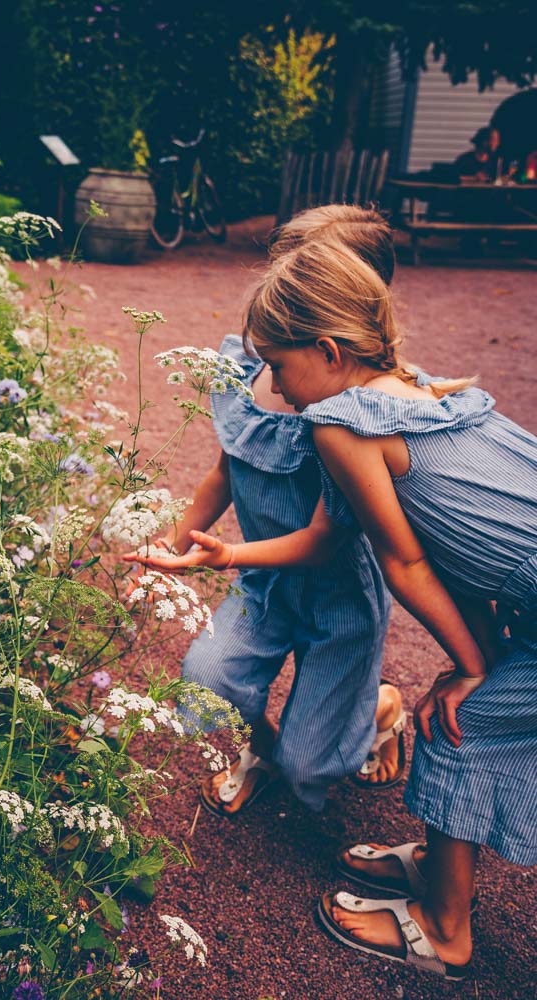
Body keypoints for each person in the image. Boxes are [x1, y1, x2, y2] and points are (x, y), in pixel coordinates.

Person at [187, 237, 535, 981]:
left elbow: (406, 564)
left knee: (459, 724)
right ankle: (443, 867)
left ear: (329, 349)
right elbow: (464, 552)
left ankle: (447, 932)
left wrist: (471, 667)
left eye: (280, 366)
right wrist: (476, 655)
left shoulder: (340, 423)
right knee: (469, 711)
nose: (275, 389)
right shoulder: (423, 389)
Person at [124, 205, 406, 817]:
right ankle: (265, 749)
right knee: (210, 678)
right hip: (262, 577)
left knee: (316, 766)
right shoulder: (252, 368)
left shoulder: (367, 407)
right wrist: (174, 545)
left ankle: (379, 707)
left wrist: (222, 554)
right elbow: (227, 467)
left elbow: (330, 539)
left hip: (340, 596)